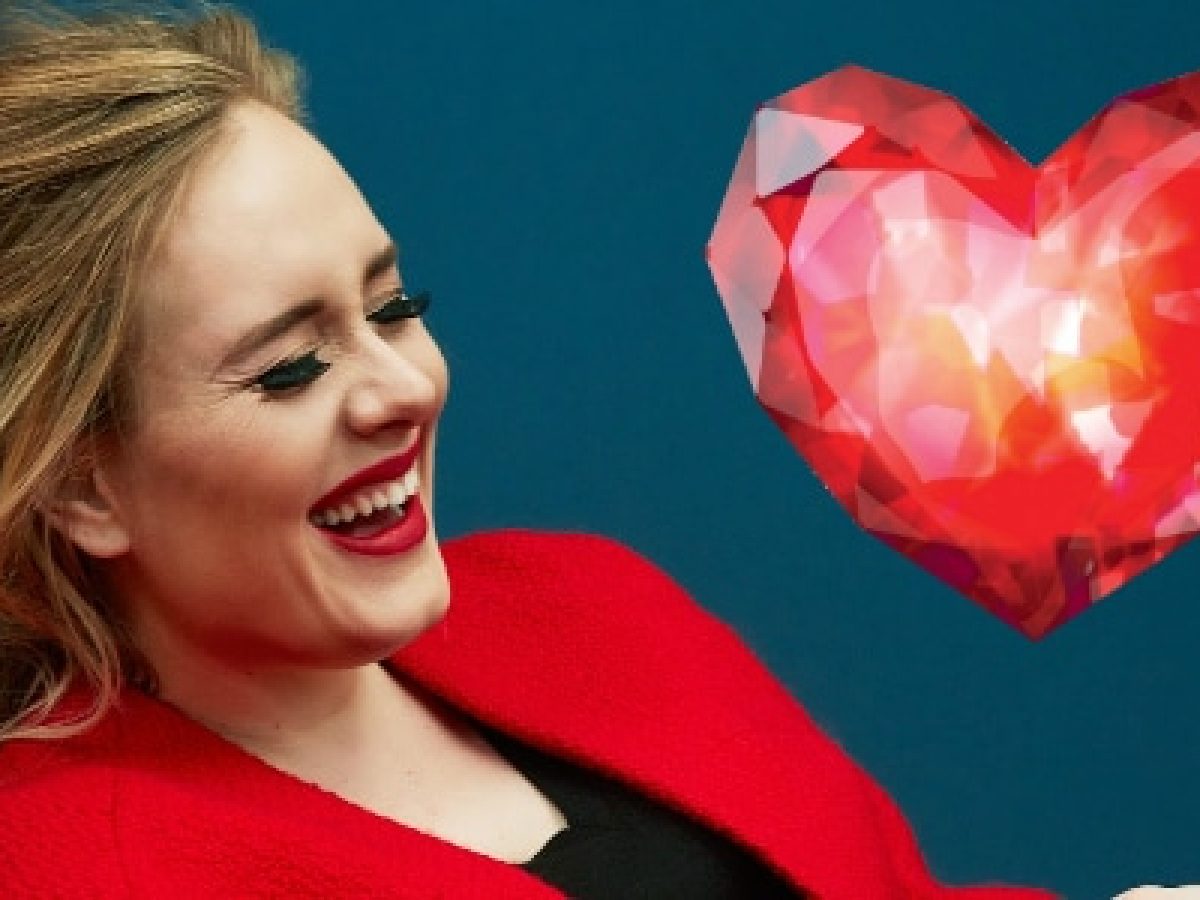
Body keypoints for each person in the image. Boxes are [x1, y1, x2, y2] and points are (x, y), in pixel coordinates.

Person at [0, 2, 1058, 897]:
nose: (406, 388)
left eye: (394, 307)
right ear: (84, 485)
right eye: (290, 369)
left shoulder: (593, 606)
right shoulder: (69, 862)